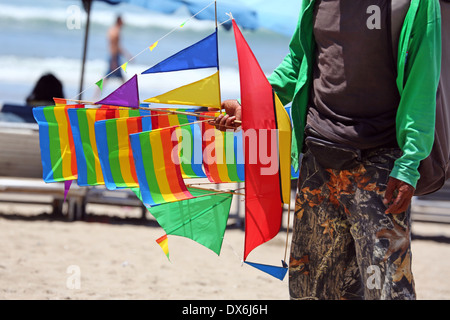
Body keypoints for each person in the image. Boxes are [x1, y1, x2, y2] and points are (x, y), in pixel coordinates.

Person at [214, 0, 442, 300]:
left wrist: (409, 162)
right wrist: (251, 106)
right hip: (317, 159)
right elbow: (298, 62)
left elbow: (422, 82)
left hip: (380, 166)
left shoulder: (415, 3)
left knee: (387, 290)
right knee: (312, 291)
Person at [105, 15, 131, 83]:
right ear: (119, 21)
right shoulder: (116, 32)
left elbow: (112, 45)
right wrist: (114, 60)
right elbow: (116, 47)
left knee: (110, 77)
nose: (123, 22)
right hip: (114, 56)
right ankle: (127, 92)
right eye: (122, 20)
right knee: (109, 77)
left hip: (112, 55)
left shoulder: (111, 29)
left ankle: (96, 93)